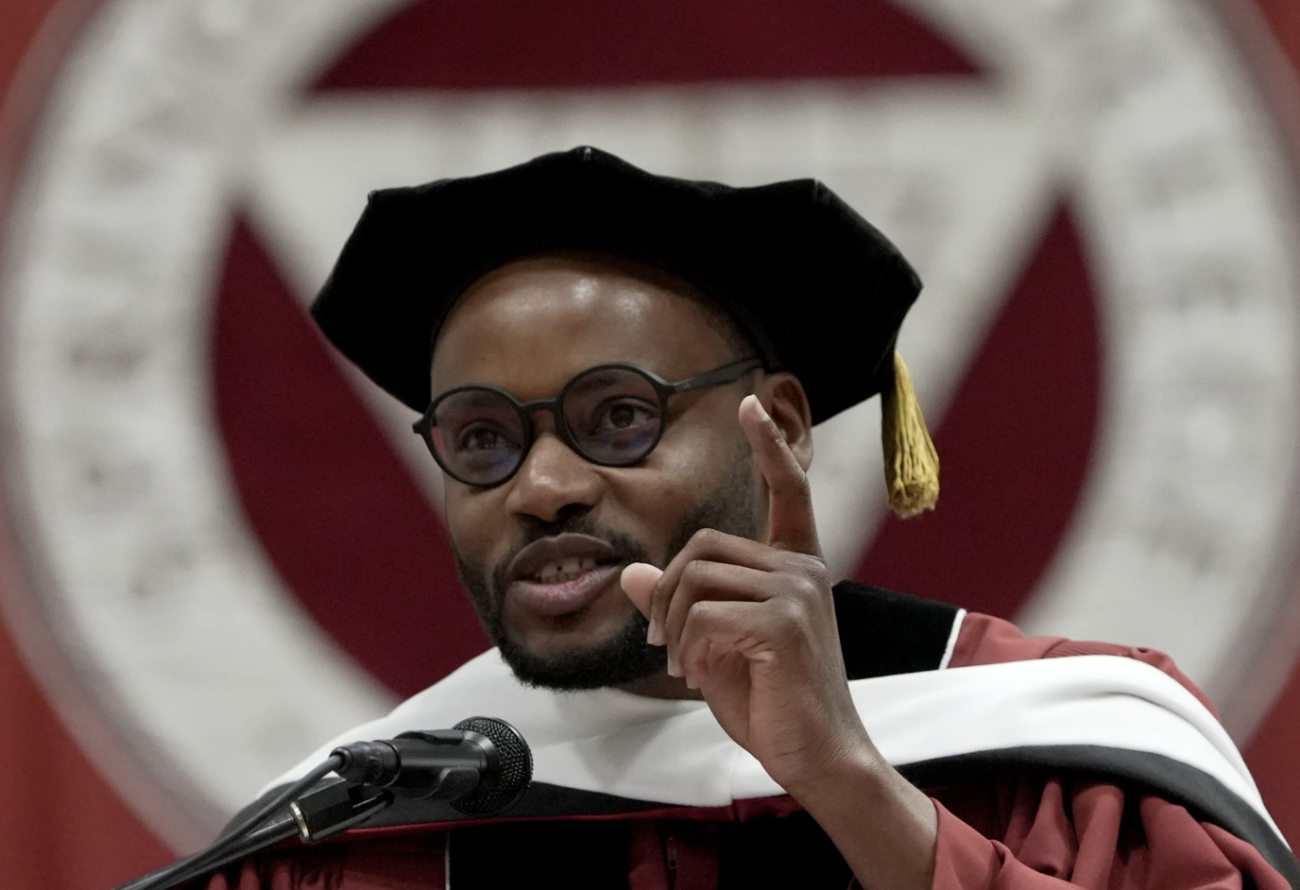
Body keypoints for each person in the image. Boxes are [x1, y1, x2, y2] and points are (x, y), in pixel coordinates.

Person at [203, 147, 1297, 890]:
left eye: (619, 415)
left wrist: (847, 778)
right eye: (482, 436)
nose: (539, 487)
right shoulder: (356, 826)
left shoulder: (1071, 755)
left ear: (774, 423)